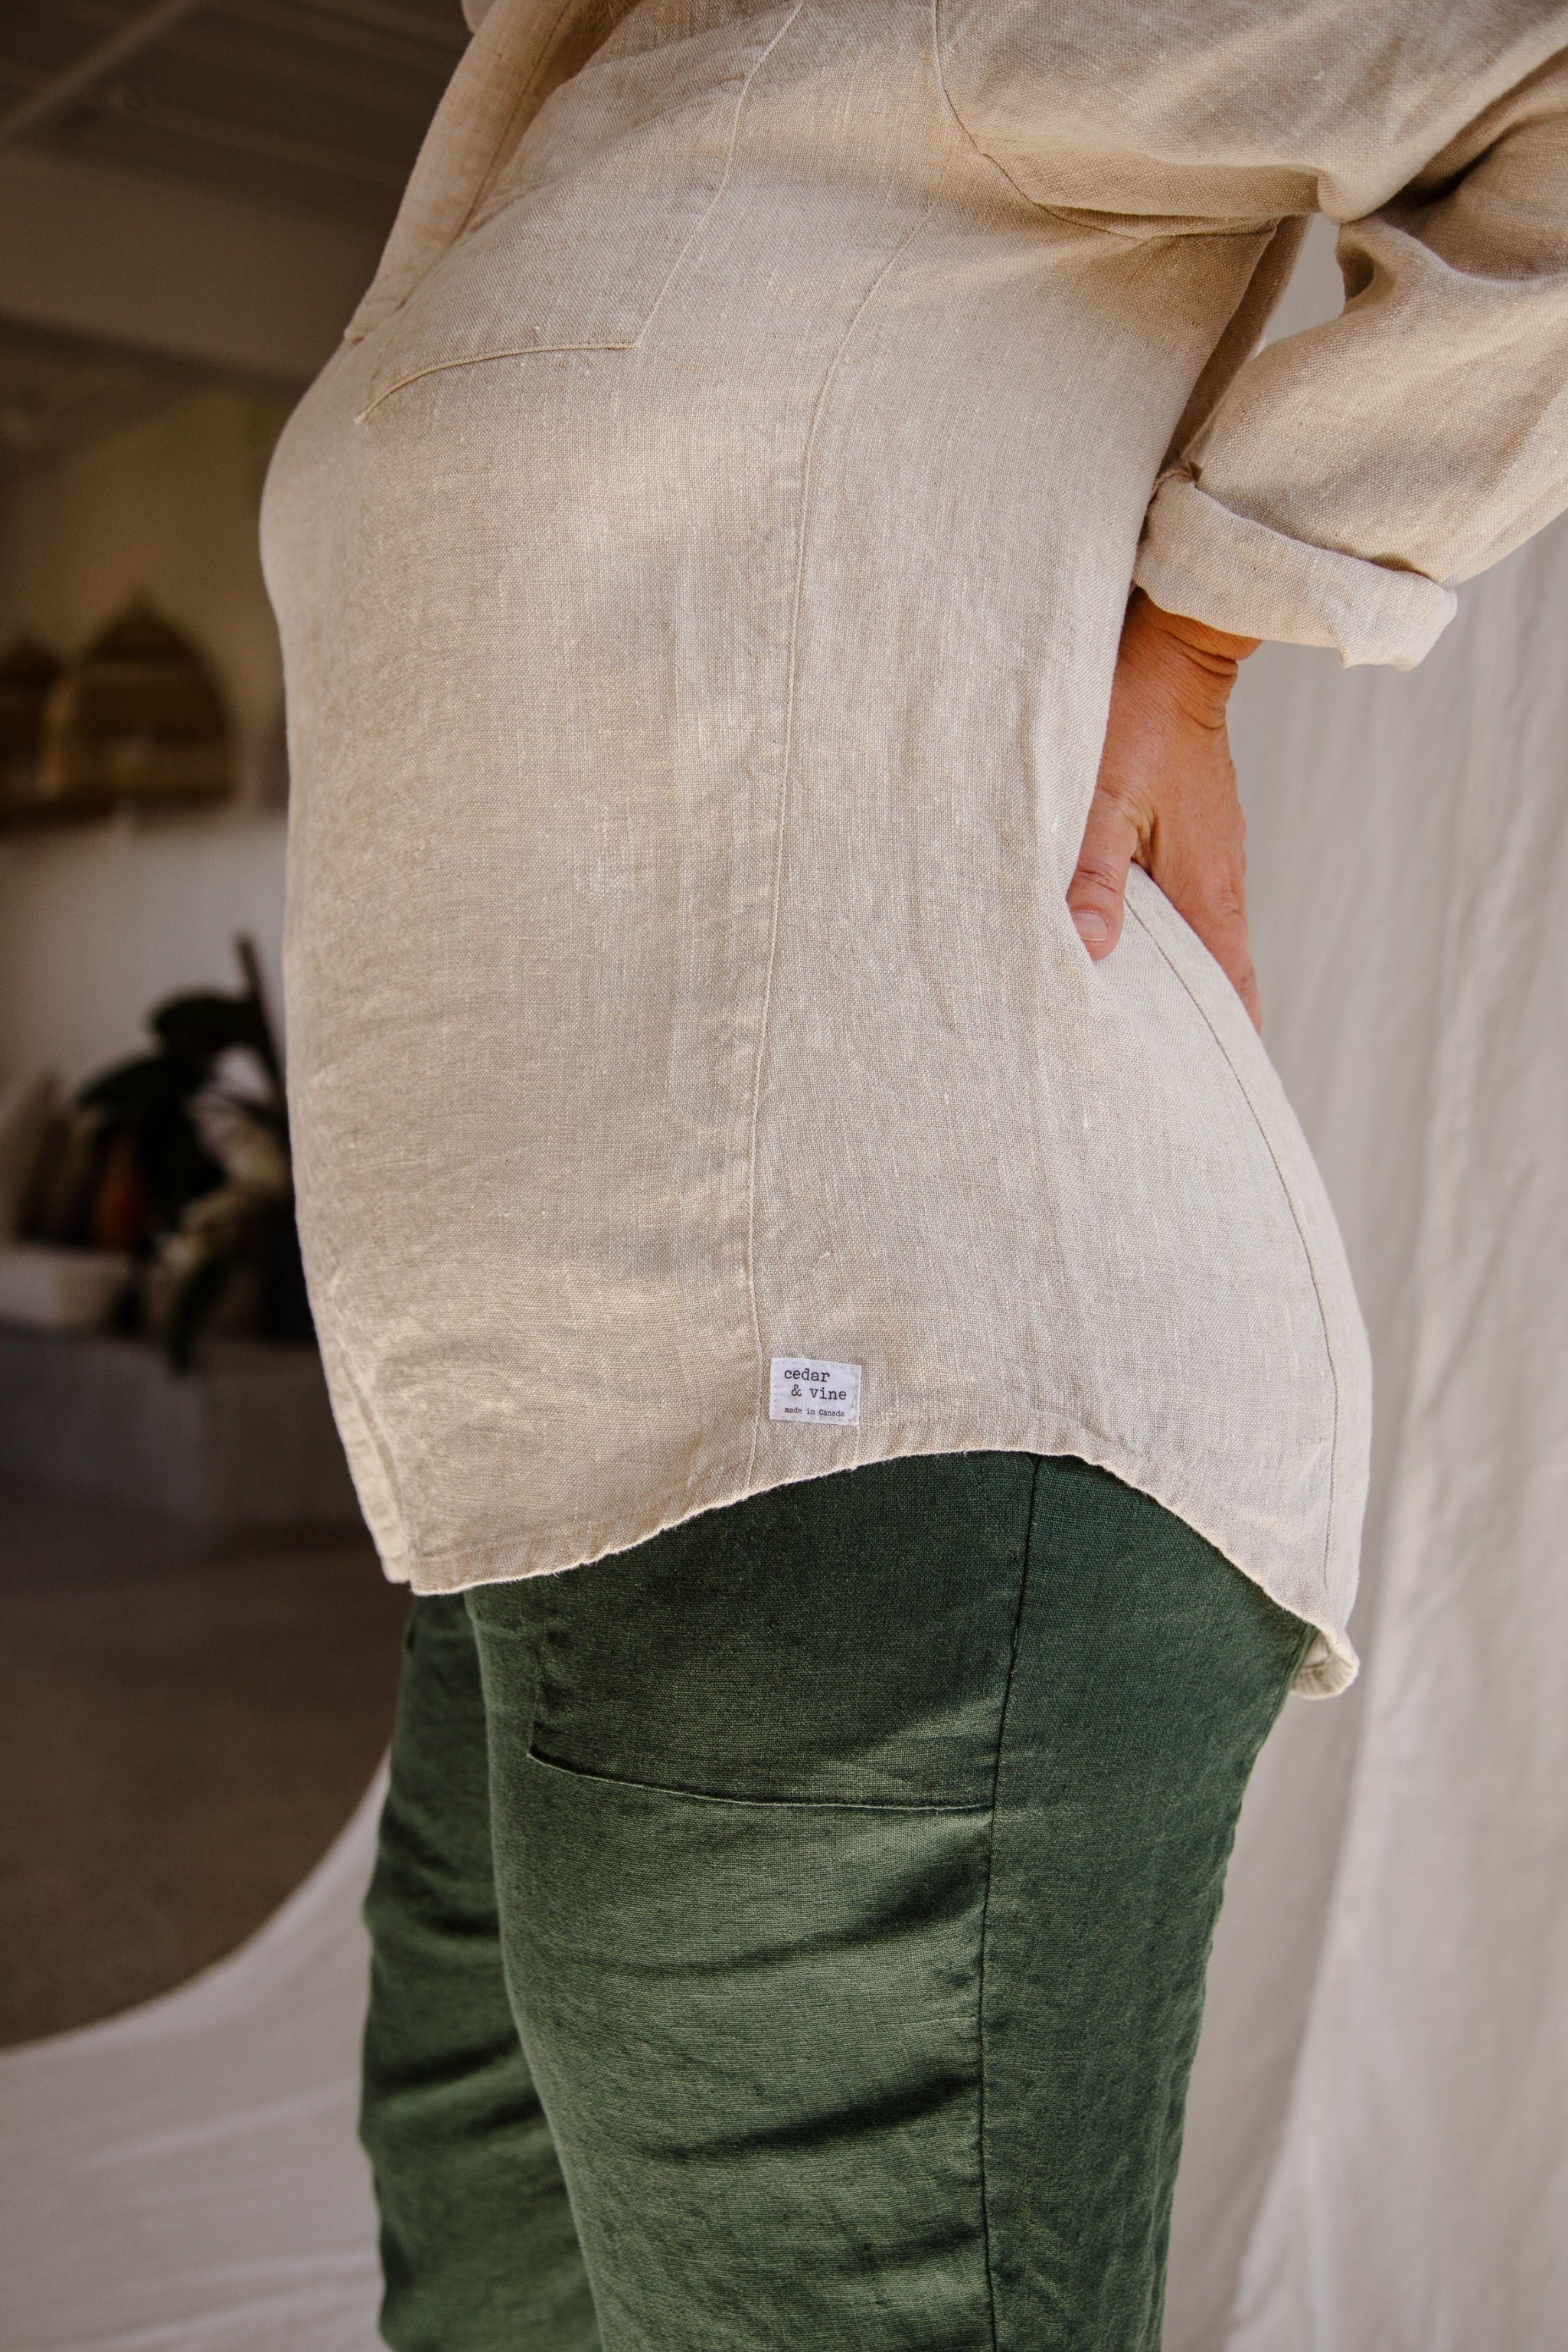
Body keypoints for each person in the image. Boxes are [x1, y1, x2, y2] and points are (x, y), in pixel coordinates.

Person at [260, 3, 1568, 2342]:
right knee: (483, 2289)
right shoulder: (564, 90)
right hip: (535, 1475)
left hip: (878, 1427)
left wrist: (1208, 633)